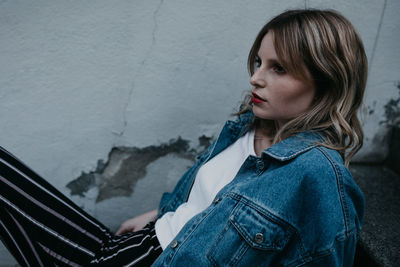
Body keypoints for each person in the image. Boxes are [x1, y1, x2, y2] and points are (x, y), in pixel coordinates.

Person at [0, 8, 367, 266]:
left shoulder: (318, 176)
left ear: (325, 82)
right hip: (140, 245)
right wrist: (159, 214)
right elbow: (206, 203)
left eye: (279, 68)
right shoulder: (245, 126)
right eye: (258, 62)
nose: (256, 78)